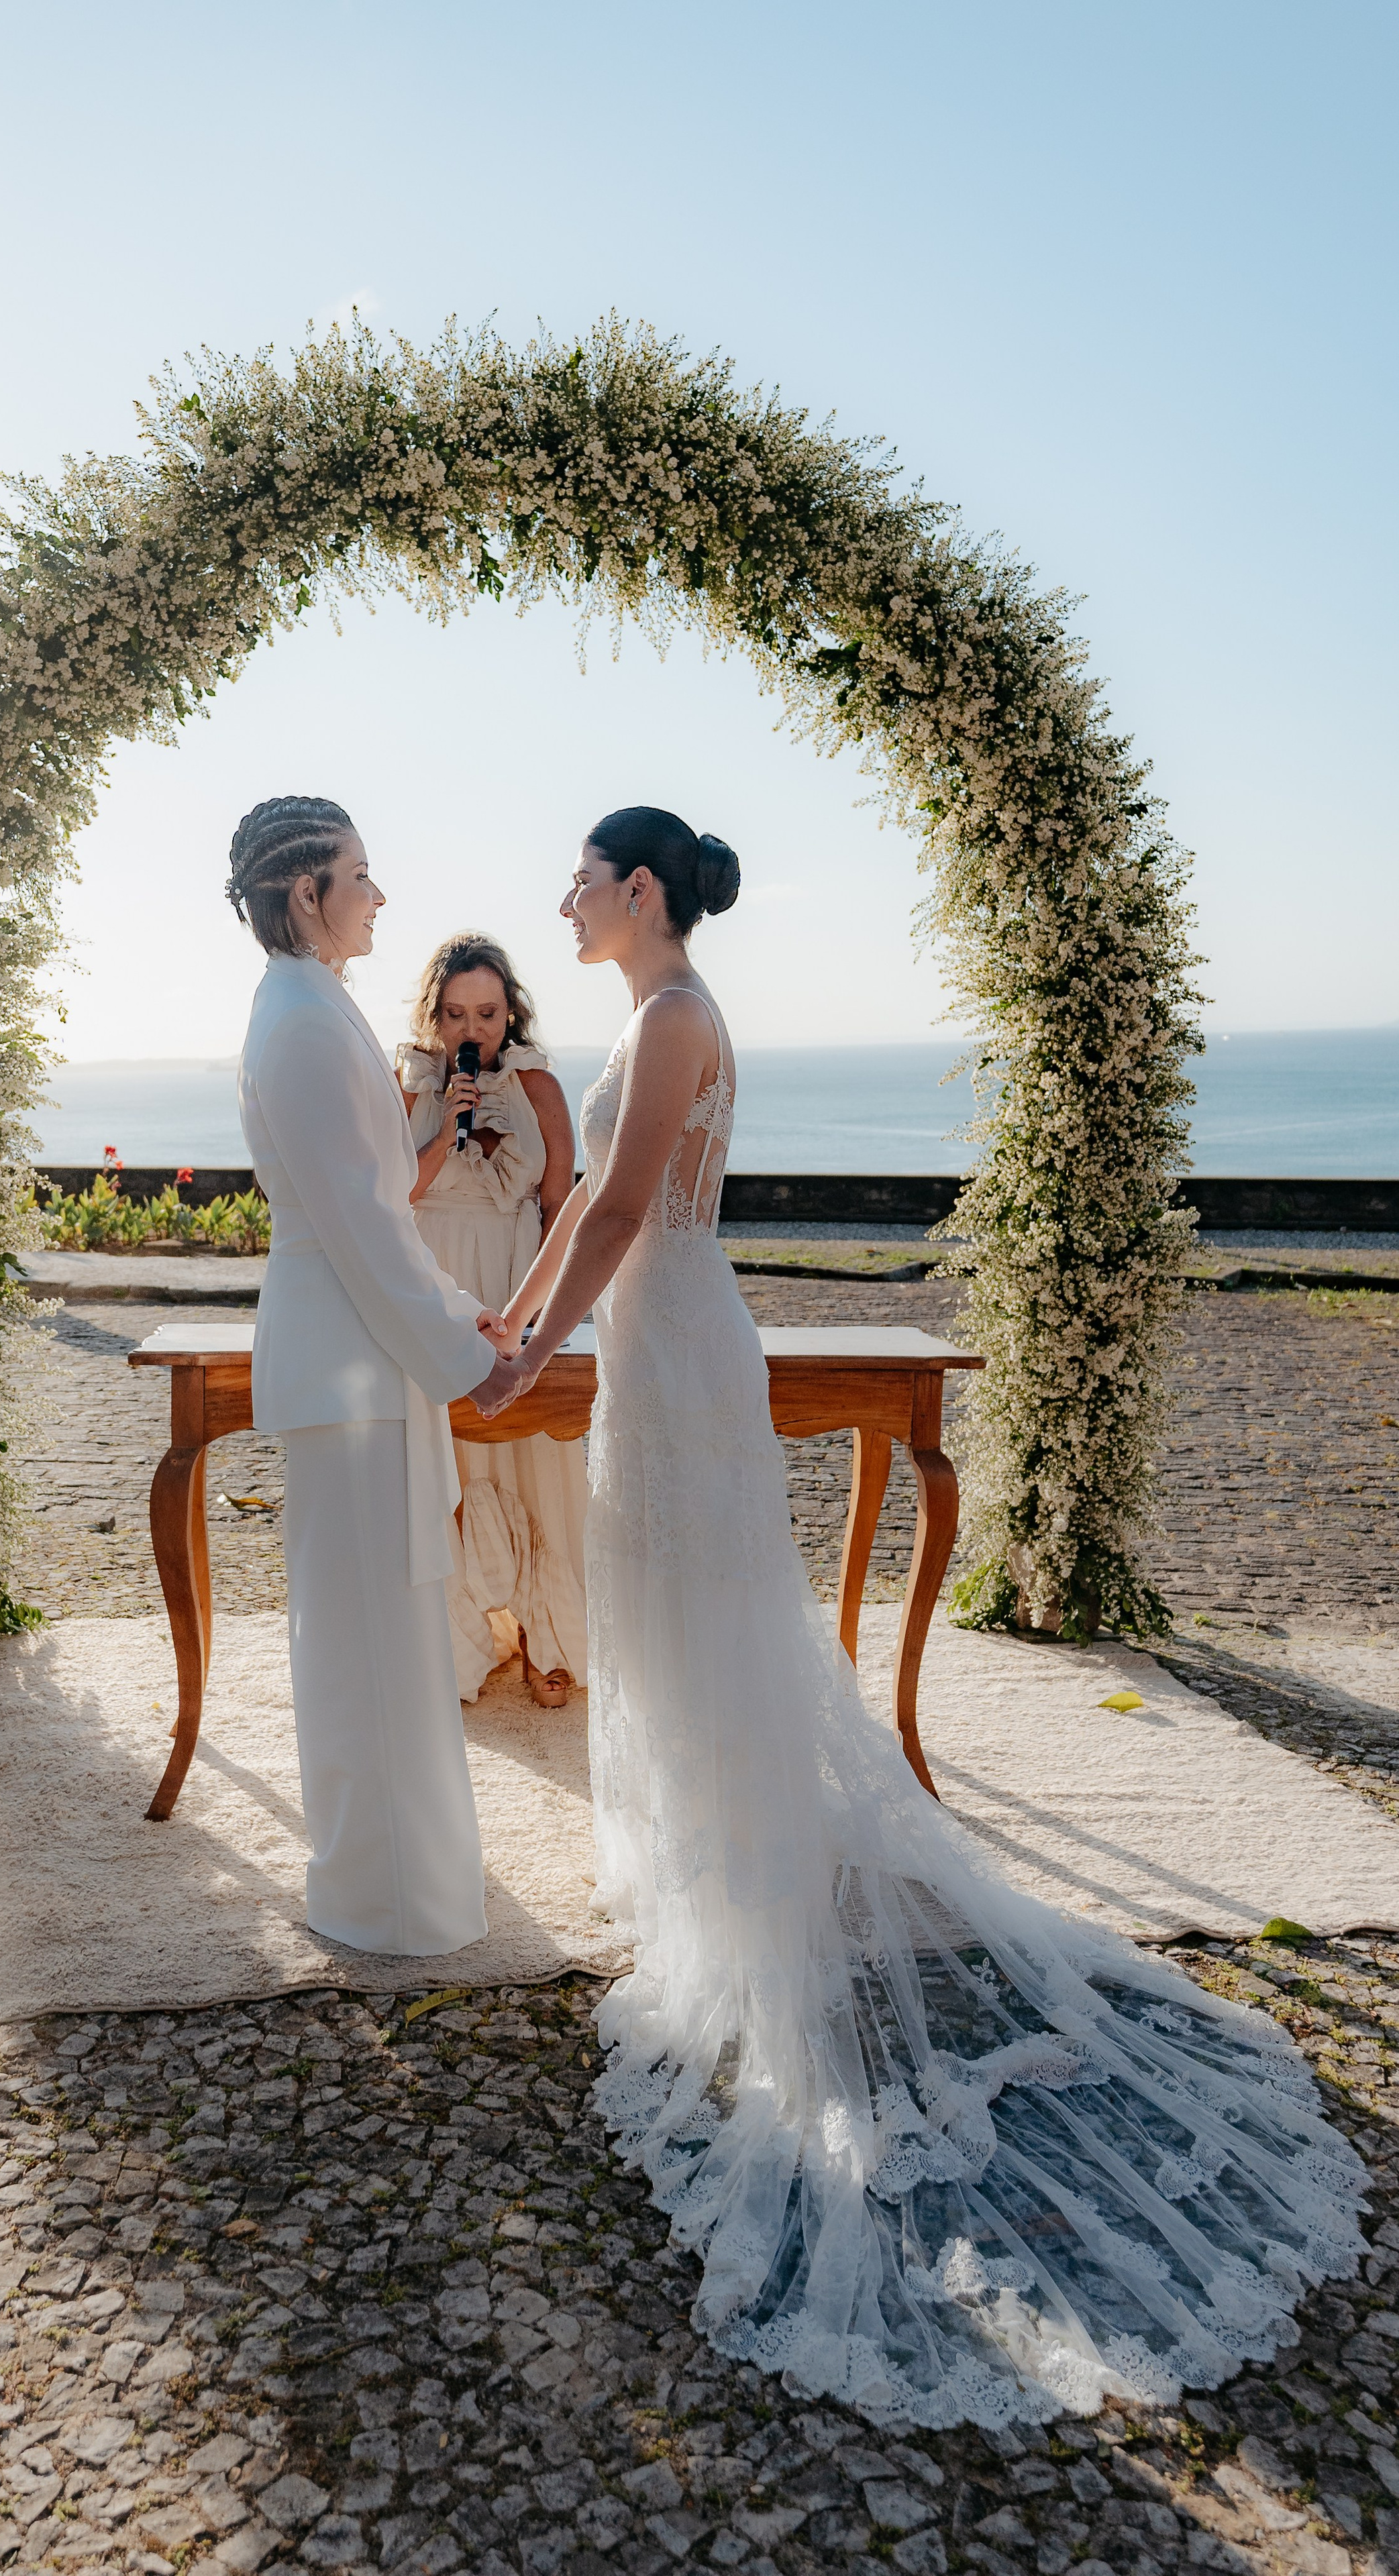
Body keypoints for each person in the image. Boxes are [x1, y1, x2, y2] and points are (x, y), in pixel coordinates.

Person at [486, 804, 1366, 2428]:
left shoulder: (676, 1016)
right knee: (672, 1610)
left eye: (579, 878)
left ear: (637, 888)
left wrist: (538, 1335)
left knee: (710, 1615)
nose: (560, 900)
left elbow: (615, 1216)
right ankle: (714, 1873)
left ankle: (752, 1909)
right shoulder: (643, 1018)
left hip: (673, 1337)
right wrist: (526, 1310)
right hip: (653, 1341)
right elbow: (584, 1204)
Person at [231, 796, 521, 1956]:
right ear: (307, 895)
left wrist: (465, 1314)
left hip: (361, 1363)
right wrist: (465, 1359)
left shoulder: (316, 1010)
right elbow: (359, 1224)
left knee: (388, 1638)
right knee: (361, 1646)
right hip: (347, 1377)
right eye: (360, 873)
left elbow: (382, 1220)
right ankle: (385, 1898)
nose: (377, 895)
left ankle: (415, 1883)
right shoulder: (300, 1023)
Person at [397, 934, 588, 1707]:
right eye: (454, 1014)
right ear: (433, 1018)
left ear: (510, 1012)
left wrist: (542, 1320)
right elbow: (390, 1196)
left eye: (486, 1012)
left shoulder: (537, 1082)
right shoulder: (410, 1082)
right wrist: (448, 1126)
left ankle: (549, 1635)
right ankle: (460, 1642)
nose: (471, 1030)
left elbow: (560, 1206)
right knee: (448, 1456)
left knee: (534, 1452)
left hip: (513, 1283)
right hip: (437, 1280)